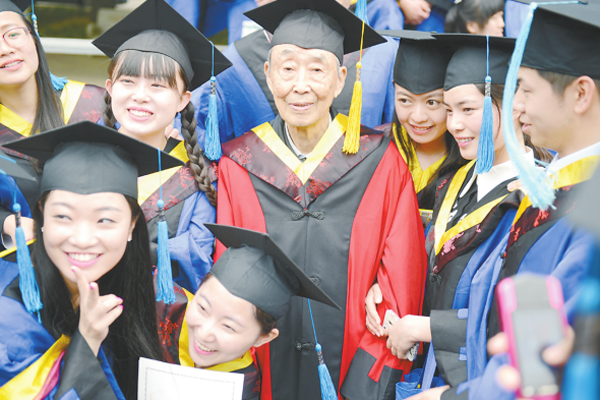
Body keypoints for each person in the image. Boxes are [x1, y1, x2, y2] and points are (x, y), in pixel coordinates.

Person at [215, 1, 428, 399]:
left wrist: (366, 383)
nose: (301, 85)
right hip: (264, 370)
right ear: (268, 73)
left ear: (341, 79)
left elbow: (401, 280)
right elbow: (227, 284)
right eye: (288, 68)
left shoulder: (382, 162)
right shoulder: (238, 164)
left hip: (354, 372)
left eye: (317, 69)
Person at [367, 34, 550, 400]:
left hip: (484, 380)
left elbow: (525, 318)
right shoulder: (453, 181)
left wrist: (427, 327)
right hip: (427, 372)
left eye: (468, 110)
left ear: (515, 105)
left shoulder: (540, 199)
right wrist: (382, 288)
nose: (453, 124)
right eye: (449, 110)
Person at [447, 1, 600, 398]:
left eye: (526, 89)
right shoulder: (551, 188)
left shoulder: (589, 213)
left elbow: (542, 362)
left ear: (581, 93)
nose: (516, 105)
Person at [0, 121, 183, 400]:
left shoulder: (127, 286)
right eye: (63, 216)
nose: (83, 239)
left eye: (105, 220)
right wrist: (87, 340)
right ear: (41, 216)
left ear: (132, 225)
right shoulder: (8, 321)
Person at [91, 0, 232, 293]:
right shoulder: (81, 157)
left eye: (158, 85)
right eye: (128, 81)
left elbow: (197, 256)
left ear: (183, 99)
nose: (141, 95)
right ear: (110, 88)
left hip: (162, 311)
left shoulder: (199, 177)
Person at [177, 0, 400, 159]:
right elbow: (200, 135)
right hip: (259, 198)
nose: (301, 86)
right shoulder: (237, 62)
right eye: (288, 68)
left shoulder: (385, 55)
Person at [183, 224, 340, 400]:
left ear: (263, 338)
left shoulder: (241, 391)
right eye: (202, 308)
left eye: (228, 326)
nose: (204, 333)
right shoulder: (163, 319)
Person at [0, 0, 104, 250]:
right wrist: (6, 223)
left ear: (33, 36)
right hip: (22, 263)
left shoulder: (96, 104)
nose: (5, 49)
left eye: (13, 34)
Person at [375, 30, 463, 224]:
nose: (417, 117)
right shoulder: (373, 148)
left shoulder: (470, 161)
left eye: (432, 102)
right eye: (405, 100)